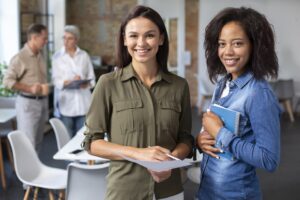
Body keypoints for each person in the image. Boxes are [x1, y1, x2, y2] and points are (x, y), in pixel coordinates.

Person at [82, 5, 194, 200]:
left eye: (149, 35)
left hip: (169, 191)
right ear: (125, 40)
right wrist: (138, 154)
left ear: (161, 39)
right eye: (133, 36)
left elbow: (185, 139)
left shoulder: (179, 86)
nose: (141, 42)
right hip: (125, 191)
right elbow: (92, 142)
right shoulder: (108, 84)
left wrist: (169, 161)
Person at [196, 7, 281, 200]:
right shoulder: (222, 84)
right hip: (207, 192)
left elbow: (269, 159)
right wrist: (201, 141)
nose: (227, 52)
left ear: (254, 46)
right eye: (222, 44)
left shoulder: (259, 94)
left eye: (237, 43)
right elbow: (216, 135)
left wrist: (219, 133)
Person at [3, 23, 49, 152]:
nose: (46, 42)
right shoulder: (20, 58)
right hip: (28, 104)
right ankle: (25, 172)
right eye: (44, 38)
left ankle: (36, 171)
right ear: (34, 38)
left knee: (39, 140)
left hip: (42, 103)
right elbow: (7, 81)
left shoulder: (40, 55)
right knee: (28, 143)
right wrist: (29, 89)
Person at [52, 25, 95, 137]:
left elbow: (92, 78)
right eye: (64, 38)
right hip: (66, 105)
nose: (66, 41)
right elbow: (56, 80)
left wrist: (86, 83)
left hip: (83, 104)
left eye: (69, 38)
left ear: (76, 39)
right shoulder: (57, 57)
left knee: (84, 138)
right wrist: (68, 82)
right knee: (67, 138)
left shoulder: (84, 55)